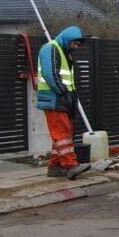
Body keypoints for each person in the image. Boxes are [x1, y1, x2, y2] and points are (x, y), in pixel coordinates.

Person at [37, 26, 91, 180]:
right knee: (62, 132)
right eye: (74, 43)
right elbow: (50, 74)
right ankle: (70, 165)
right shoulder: (50, 49)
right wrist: (63, 92)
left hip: (60, 97)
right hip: (54, 98)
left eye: (77, 45)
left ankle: (55, 166)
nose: (75, 47)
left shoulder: (61, 52)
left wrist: (69, 95)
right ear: (68, 39)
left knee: (62, 135)